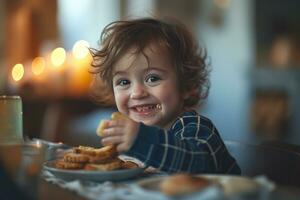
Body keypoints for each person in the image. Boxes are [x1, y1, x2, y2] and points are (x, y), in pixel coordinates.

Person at [90, 17, 241, 174]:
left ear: (186, 86)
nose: (137, 93)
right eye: (123, 82)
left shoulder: (193, 126)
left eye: (152, 78)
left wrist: (141, 140)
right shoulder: (130, 136)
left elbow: (199, 163)